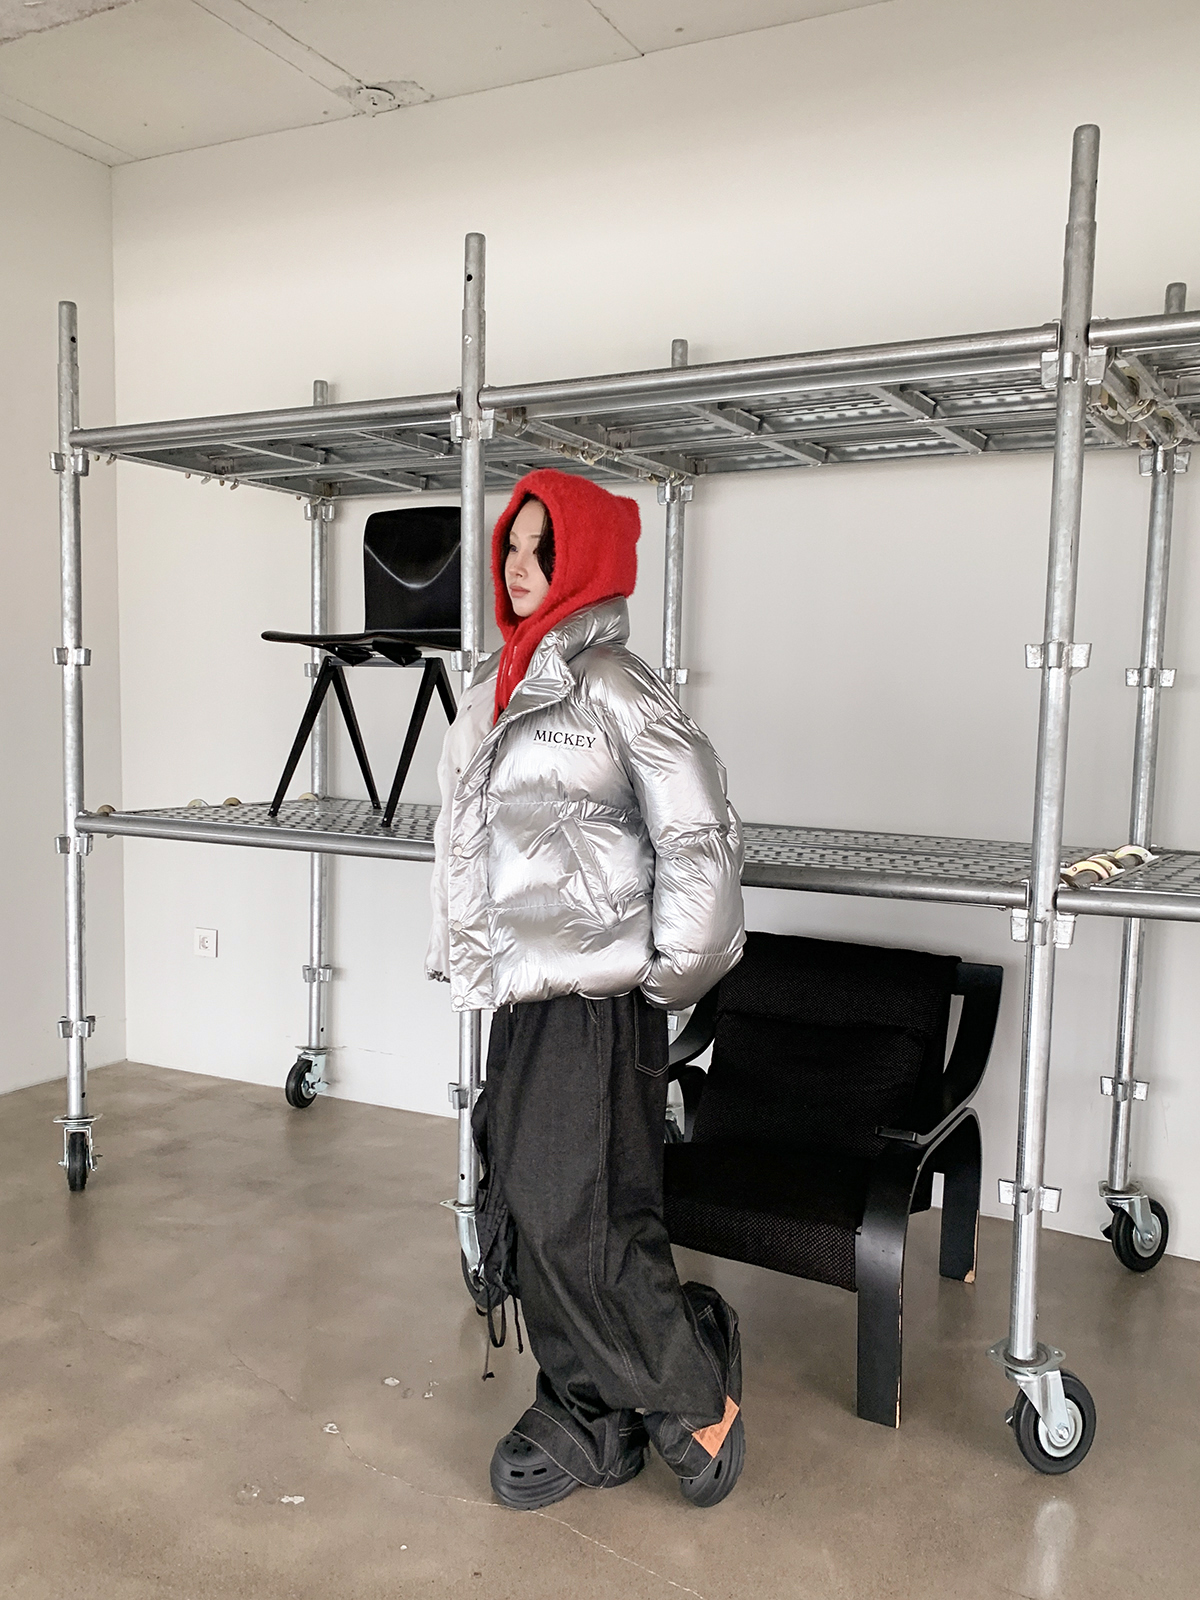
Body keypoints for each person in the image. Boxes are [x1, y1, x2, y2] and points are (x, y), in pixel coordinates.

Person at [426, 467, 746, 1510]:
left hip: (600, 1000)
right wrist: (473, 958)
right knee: (533, 1200)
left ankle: (693, 1390)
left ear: (588, 561)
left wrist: (668, 978)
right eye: (511, 548)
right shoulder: (502, 680)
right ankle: (588, 1408)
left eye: (543, 548)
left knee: (584, 1215)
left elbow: (700, 833)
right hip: (528, 994)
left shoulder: (612, 683)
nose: (519, 567)